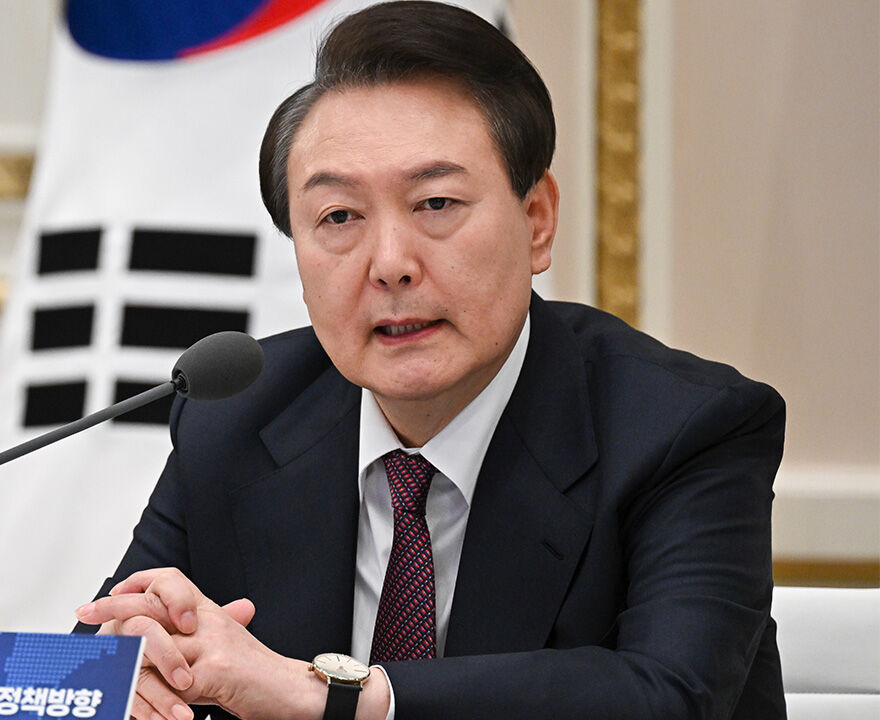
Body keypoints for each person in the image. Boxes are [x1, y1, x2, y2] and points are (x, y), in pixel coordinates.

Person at [73, 2, 786, 719]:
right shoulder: (237, 418)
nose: (390, 264)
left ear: (537, 221)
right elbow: (85, 663)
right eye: (339, 217)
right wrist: (123, 669)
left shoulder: (683, 429)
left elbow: (669, 696)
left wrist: (334, 698)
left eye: (436, 203)